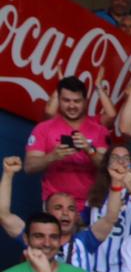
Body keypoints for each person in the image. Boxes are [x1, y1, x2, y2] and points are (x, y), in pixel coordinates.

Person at [25, 77, 109, 207]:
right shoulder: (43, 128)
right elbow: (29, 166)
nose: (71, 106)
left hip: (89, 206)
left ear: (85, 102)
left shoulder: (99, 131)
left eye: (77, 101)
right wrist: (52, 156)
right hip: (54, 204)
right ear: (58, 100)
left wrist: (90, 150)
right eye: (66, 100)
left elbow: (108, 169)